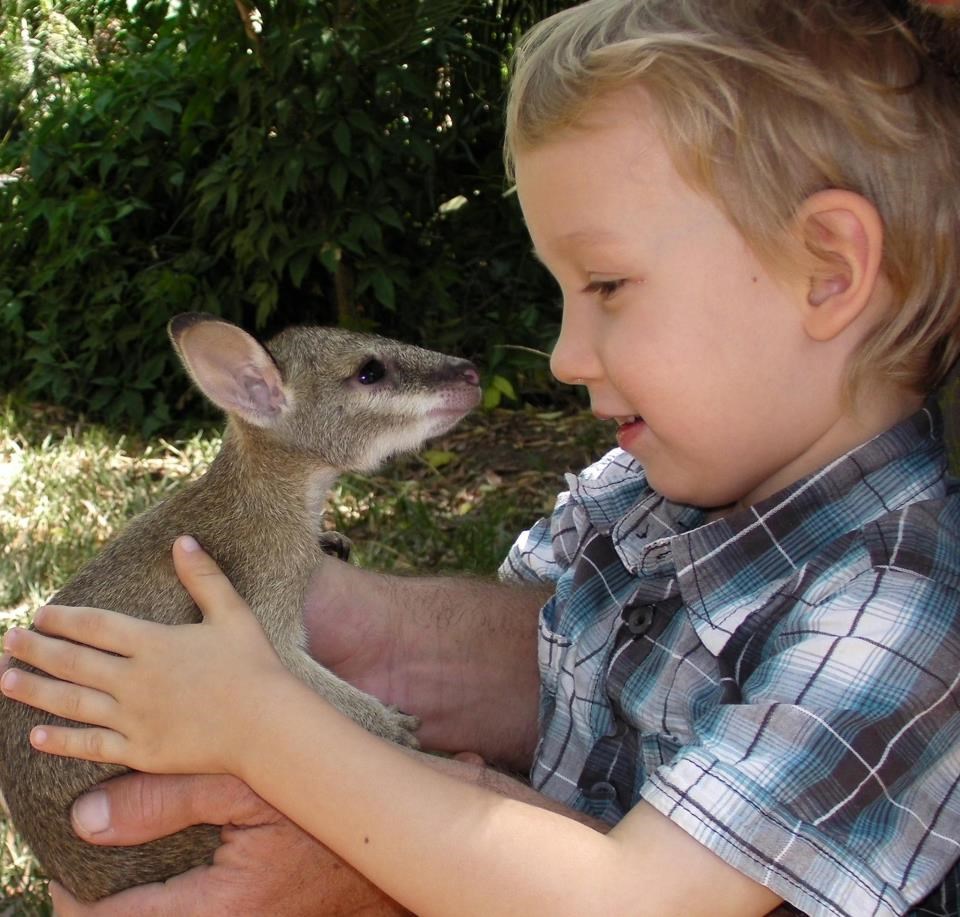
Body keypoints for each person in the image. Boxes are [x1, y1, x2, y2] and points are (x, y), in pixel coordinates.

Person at [3, 0, 960, 913]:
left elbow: (627, 903)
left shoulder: (902, 611)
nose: (562, 355)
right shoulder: (631, 500)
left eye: (607, 284)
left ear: (829, 269)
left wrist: (261, 721)